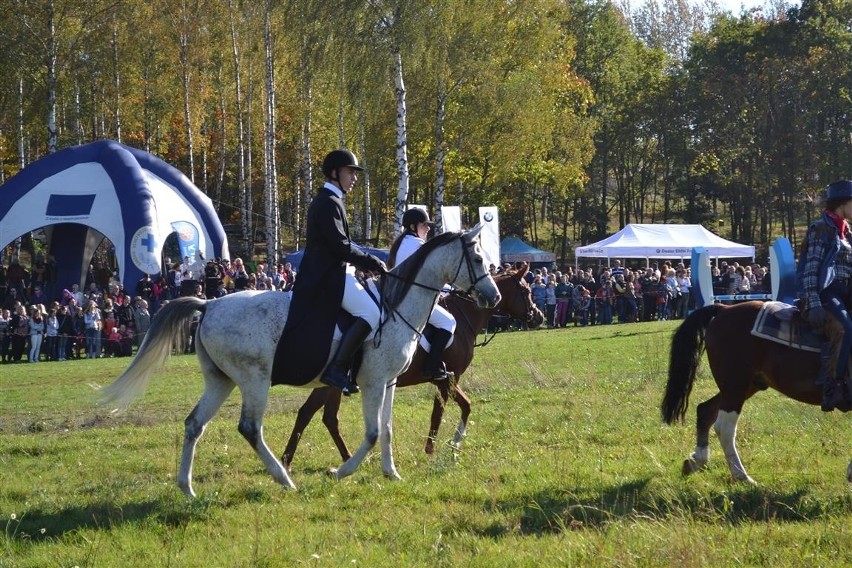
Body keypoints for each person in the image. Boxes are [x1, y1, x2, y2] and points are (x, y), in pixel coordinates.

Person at [279, 149, 387, 395]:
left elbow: (339, 246)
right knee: (371, 312)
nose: (355, 178)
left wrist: (362, 265)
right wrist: (372, 261)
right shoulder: (328, 202)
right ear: (335, 173)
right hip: (327, 277)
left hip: (332, 271)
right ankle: (336, 370)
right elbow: (340, 246)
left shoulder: (332, 200)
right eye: (351, 172)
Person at [797, 179, 852, 412]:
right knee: (844, 328)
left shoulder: (846, 231)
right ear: (843, 204)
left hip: (846, 291)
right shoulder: (822, 229)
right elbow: (811, 269)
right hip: (825, 292)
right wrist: (814, 302)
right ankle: (833, 385)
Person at [387, 207, 455, 380]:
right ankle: (432, 367)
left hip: (398, 298)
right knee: (449, 322)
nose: (428, 228)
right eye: (424, 225)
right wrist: (450, 289)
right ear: (412, 226)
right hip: (412, 301)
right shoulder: (417, 245)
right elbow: (433, 274)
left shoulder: (401, 243)